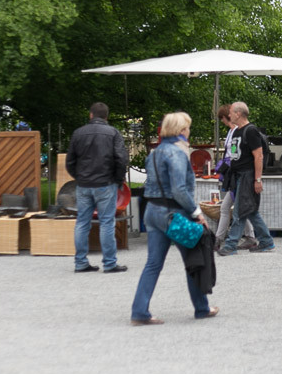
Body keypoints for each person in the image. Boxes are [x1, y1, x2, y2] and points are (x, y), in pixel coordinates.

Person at [132, 112, 217, 326]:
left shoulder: (154, 153)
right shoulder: (177, 153)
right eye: (187, 128)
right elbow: (179, 189)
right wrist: (197, 213)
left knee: (152, 264)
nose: (189, 132)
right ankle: (201, 308)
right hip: (173, 214)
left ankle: (139, 311)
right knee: (193, 259)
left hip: (152, 211)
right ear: (181, 131)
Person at [66, 101, 128, 273]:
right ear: (106, 117)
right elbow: (121, 159)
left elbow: (70, 161)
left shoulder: (78, 133)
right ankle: (109, 263)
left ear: (91, 115)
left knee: (82, 223)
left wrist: (79, 177)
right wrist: (118, 180)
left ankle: (80, 263)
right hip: (106, 184)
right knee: (107, 223)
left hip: (84, 185)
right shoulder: (113, 133)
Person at [218, 102, 277, 255]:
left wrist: (257, 179)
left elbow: (258, 156)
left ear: (238, 113)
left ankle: (230, 245)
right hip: (238, 176)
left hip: (247, 176)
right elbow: (233, 155)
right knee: (250, 211)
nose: (229, 115)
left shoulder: (251, 131)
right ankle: (266, 241)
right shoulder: (237, 132)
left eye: (231, 112)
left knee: (239, 211)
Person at [214, 104, 256, 249]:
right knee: (238, 207)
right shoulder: (233, 133)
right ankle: (250, 236)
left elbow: (233, 154)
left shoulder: (235, 133)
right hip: (236, 174)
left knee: (229, 208)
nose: (224, 121)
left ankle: (220, 240)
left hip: (237, 175)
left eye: (223, 119)